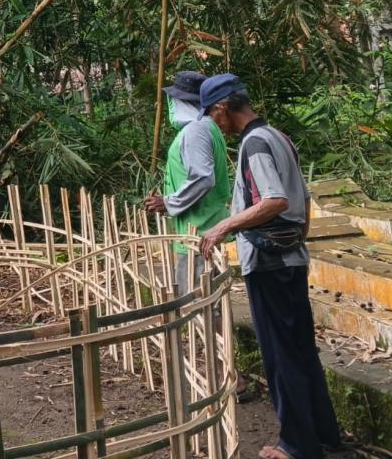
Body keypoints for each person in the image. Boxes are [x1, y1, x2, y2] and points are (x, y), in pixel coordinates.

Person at [198, 74, 340, 459]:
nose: (215, 125)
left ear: (223, 107)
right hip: (292, 258)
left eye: (213, 115)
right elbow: (303, 200)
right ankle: (324, 433)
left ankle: (296, 446)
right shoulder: (279, 137)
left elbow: (274, 199)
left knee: (279, 355)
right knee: (301, 349)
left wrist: (224, 226)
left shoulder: (254, 143)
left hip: (268, 264)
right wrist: (297, 240)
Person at [144, 70, 230, 294]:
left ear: (181, 101)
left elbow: (203, 178)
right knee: (208, 304)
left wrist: (169, 202)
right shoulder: (206, 127)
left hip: (198, 233)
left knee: (200, 306)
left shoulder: (195, 130)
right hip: (201, 229)